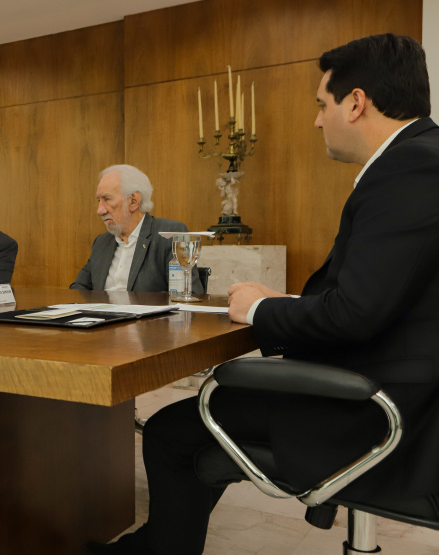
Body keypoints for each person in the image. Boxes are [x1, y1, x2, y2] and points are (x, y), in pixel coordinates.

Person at [87, 34, 439, 555]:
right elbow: (384, 299)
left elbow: (356, 315)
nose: (318, 120)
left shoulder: (409, 170)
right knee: (197, 417)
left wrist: (257, 308)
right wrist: (289, 303)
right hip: (388, 384)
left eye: (322, 105)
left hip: (377, 409)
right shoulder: (419, 158)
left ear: (357, 102)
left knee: (170, 431)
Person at [71, 165, 203, 293]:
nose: (100, 210)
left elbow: (187, 295)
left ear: (133, 201)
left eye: (107, 199)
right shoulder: (102, 242)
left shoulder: (170, 234)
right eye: (98, 200)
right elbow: (79, 288)